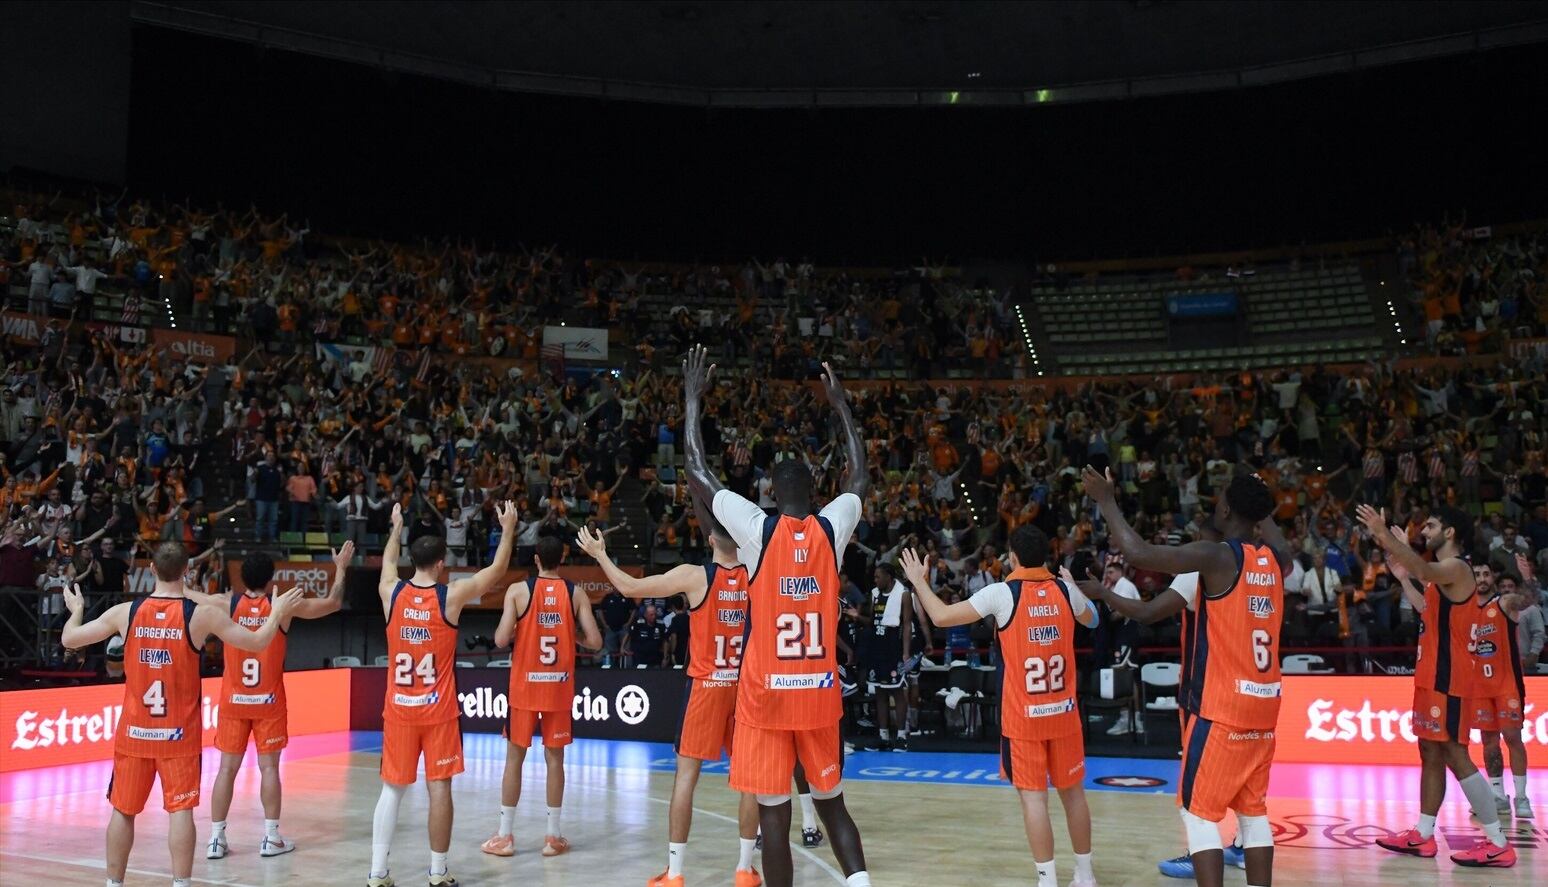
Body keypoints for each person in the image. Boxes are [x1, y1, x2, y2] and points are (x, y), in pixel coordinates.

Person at [683, 345, 872, 887]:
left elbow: (697, 470)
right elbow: (858, 478)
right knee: (833, 806)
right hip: (817, 692)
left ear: (769, 492)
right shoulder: (832, 528)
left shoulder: (756, 529)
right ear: (815, 494)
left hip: (766, 699)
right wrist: (841, 408)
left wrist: (693, 401)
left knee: (775, 815)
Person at [1085, 467, 1292, 887]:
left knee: (1197, 814)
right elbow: (1281, 542)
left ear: (1228, 507)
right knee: (1253, 814)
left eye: (1220, 498)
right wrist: (1260, 498)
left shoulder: (1217, 558)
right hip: (1265, 706)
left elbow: (1138, 552)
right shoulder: (1275, 561)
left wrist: (1106, 501)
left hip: (1221, 708)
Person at [59, 541, 302, 887]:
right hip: (178, 737)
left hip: (134, 734)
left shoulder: (126, 612)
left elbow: (70, 639)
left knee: (123, 811)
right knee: (180, 812)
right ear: (187, 571)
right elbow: (259, 642)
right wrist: (276, 612)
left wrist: (77, 609)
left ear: (153, 570)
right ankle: (181, 883)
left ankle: (114, 883)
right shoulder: (201, 615)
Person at [900, 527, 1100, 887]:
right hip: (1064, 713)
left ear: (1013, 557)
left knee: (1034, 800)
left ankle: (1047, 880)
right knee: (1074, 796)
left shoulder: (1002, 593)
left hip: (1025, 719)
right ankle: (1085, 877)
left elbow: (942, 617)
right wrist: (1070, 583)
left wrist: (918, 581)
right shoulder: (1064, 590)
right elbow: (1094, 620)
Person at [578, 508, 763, 887]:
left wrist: (599, 554)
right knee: (749, 782)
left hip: (706, 687)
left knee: (685, 779)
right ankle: (745, 869)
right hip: (744, 687)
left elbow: (629, 588)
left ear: (709, 539)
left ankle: (675, 873)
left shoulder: (694, 577)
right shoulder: (755, 576)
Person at [1066, 521, 1250, 880]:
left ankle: (1199, 854)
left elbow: (1148, 613)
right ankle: (1243, 844)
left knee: (1194, 786)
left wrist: (1102, 594)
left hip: (1208, 689)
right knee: (1244, 781)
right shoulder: (1256, 566)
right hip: (1249, 685)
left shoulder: (1200, 567)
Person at [1356, 503, 1517, 868]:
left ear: (1450, 533)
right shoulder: (1440, 578)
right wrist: (1402, 578)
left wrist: (1383, 534)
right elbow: (1427, 610)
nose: (1423, 530)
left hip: (1450, 679)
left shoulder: (1457, 568)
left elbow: (1425, 567)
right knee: (1429, 752)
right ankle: (1423, 835)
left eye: (1430, 525)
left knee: (1455, 755)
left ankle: (1498, 841)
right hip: (1431, 676)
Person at [369, 500, 520, 887]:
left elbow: (387, 564)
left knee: (391, 791)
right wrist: (507, 529)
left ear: (412, 560)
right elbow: (497, 570)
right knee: (440, 790)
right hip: (437, 713)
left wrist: (396, 528)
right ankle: (437, 873)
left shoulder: (390, 591)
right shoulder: (449, 597)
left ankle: (377, 874)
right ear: (440, 564)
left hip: (399, 710)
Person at [188, 544, 353, 860]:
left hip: (233, 702)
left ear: (240, 577)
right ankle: (271, 836)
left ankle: (216, 838)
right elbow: (333, 603)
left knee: (226, 770)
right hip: (268, 702)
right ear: (270, 578)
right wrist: (341, 568)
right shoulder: (283, 606)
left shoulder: (225, 603)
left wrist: (182, 577)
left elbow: (189, 596)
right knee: (268, 769)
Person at [480, 534, 602, 860]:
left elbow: (502, 638)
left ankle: (505, 836)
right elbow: (595, 641)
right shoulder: (574, 593)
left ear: (536, 559)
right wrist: (567, 633)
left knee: (514, 760)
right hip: (558, 688)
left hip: (524, 689)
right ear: (561, 559)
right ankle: (553, 836)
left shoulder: (519, 591)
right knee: (555, 761)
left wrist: (524, 628)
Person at [1473, 555, 1534, 819]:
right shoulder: (1464, 611)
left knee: (1512, 738)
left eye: (1486, 574)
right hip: (1479, 688)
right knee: (1488, 742)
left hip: (1507, 685)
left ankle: (1521, 797)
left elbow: (1529, 600)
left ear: (1493, 578)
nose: (1482, 579)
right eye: (1477, 575)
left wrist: (1528, 577)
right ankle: (1498, 796)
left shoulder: (1503, 603)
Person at [850, 562, 921, 751]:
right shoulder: (874, 594)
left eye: (878, 576)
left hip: (894, 648)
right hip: (877, 647)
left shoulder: (904, 594)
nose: (875, 580)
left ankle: (901, 736)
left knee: (897, 692)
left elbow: (907, 625)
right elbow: (873, 622)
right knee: (880, 693)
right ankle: (883, 736)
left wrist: (906, 652)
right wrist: (856, 616)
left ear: (888, 577)